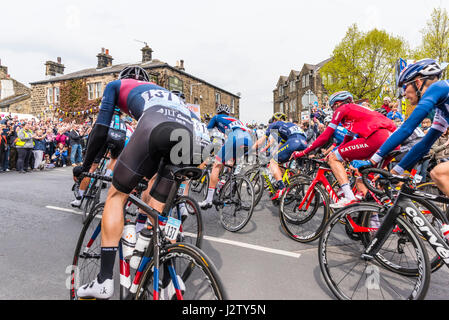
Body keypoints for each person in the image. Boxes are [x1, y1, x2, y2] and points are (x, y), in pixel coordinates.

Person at [74, 66, 208, 299]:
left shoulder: (117, 86)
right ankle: (166, 277)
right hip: (198, 137)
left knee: (116, 196)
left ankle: (104, 280)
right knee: (156, 207)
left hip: (159, 126)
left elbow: (100, 129)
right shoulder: (163, 91)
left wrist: (85, 168)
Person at [291, 91, 396, 208]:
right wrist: (336, 151)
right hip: (392, 141)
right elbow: (348, 138)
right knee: (362, 178)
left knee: (333, 158)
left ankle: (348, 197)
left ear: (337, 104)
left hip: (377, 138)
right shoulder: (356, 112)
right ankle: (372, 220)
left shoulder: (344, 108)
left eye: (333, 108)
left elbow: (325, 136)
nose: (334, 111)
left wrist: (304, 152)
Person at [370, 59, 449, 196]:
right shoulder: (442, 109)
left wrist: (372, 160)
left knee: (439, 173)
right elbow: (424, 144)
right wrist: (394, 173)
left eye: (405, 87)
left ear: (418, 82)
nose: (404, 94)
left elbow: (407, 128)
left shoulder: (439, 87)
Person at [198, 104, 253, 209]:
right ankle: (225, 184)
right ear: (228, 114)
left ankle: (208, 200)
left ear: (218, 113)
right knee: (230, 162)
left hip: (235, 138)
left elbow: (206, 131)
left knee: (216, 165)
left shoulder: (216, 117)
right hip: (248, 140)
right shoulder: (235, 119)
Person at [252, 112, 308, 200]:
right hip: (304, 143)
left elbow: (262, 141)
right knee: (279, 162)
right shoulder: (288, 126)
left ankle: (282, 188)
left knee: (273, 162)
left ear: (274, 120)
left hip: (294, 141)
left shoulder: (274, 124)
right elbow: (279, 147)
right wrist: (271, 155)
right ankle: (284, 183)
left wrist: (250, 150)